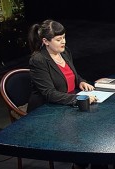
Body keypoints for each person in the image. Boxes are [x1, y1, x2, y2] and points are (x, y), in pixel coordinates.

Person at [27, 19, 97, 169]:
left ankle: (90, 163)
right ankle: (80, 164)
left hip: (67, 102)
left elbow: (73, 75)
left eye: (64, 37)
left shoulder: (65, 52)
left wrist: (81, 82)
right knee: (86, 134)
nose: (63, 42)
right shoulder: (38, 60)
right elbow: (49, 93)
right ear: (45, 41)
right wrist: (78, 99)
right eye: (59, 39)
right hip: (47, 110)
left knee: (97, 128)